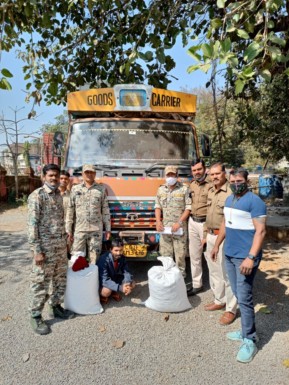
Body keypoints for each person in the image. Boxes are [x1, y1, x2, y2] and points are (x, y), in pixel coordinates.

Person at [211, 168, 266, 363]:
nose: (236, 184)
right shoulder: (229, 199)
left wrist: (251, 257)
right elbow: (225, 223)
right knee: (236, 291)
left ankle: (250, 339)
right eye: (233, 180)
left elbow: (260, 232)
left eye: (239, 180)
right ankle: (244, 330)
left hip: (245, 257)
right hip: (229, 254)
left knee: (244, 297)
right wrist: (217, 245)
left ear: (246, 181)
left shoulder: (255, 202)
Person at [27, 164, 74, 335]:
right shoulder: (37, 196)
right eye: (51, 175)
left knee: (60, 279)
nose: (54, 178)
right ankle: (35, 315)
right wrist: (36, 250)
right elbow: (32, 225)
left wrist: (66, 238)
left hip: (60, 247)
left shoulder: (58, 195)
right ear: (44, 176)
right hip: (45, 249)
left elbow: (59, 221)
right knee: (41, 282)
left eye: (56, 175)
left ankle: (56, 307)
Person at [203, 163, 237, 325]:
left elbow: (230, 219)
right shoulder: (211, 190)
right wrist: (205, 234)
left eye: (217, 174)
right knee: (214, 271)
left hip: (225, 238)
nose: (214, 177)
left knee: (228, 274)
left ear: (224, 173)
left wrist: (218, 242)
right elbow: (207, 215)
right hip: (210, 235)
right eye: (212, 174)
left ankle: (230, 309)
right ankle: (219, 299)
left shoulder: (231, 192)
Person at [66, 164, 111, 264]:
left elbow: (105, 210)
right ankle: (77, 279)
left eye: (92, 172)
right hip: (80, 229)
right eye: (87, 172)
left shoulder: (101, 189)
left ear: (95, 174)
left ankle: (93, 279)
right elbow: (70, 210)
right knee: (76, 258)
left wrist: (108, 229)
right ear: (82, 173)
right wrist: (68, 229)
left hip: (96, 230)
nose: (89, 174)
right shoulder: (75, 189)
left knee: (94, 259)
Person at [155, 165, 191, 278]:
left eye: (172, 174)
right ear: (165, 176)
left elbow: (188, 208)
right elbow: (157, 206)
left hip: (180, 229)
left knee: (180, 256)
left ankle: (181, 280)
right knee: (166, 256)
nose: (170, 177)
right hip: (165, 229)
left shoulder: (184, 189)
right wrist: (158, 221)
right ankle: (168, 279)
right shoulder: (160, 189)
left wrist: (179, 222)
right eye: (168, 175)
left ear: (177, 175)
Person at [187, 159, 211, 295]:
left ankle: (217, 288)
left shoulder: (212, 185)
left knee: (210, 256)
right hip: (192, 222)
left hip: (206, 223)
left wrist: (207, 230)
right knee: (194, 255)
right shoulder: (192, 185)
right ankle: (197, 284)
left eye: (199, 169)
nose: (197, 172)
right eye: (194, 170)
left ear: (204, 169)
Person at [97, 238, 135, 303]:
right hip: (103, 282)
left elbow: (126, 271)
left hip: (113, 278)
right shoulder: (104, 259)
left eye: (120, 250)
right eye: (116, 250)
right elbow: (104, 280)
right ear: (110, 250)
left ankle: (114, 290)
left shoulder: (122, 257)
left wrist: (127, 284)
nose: (118, 253)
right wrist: (121, 288)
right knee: (106, 292)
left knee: (133, 283)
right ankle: (103, 295)